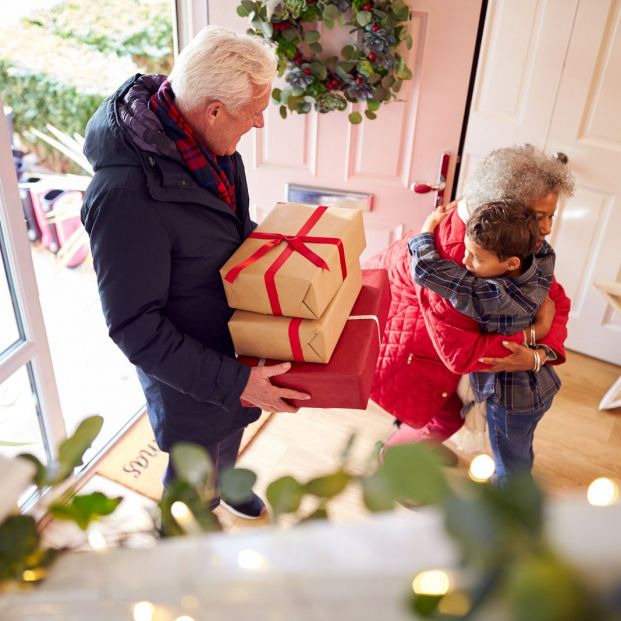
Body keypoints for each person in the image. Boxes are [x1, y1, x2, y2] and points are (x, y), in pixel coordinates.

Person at [80, 26, 310, 517]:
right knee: (193, 475)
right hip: (190, 375)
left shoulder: (211, 147)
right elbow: (134, 326)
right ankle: (183, 532)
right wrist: (236, 382)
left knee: (230, 437)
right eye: (253, 113)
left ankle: (227, 484)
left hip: (233, 344)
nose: (259, 124)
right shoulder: (122, 197)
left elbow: (225, 230)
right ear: (213, 109)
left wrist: (281, 255)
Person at [365, 145, 574, 454]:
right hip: (398, 339)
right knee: (445, 418)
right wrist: (534, 335)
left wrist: (540, 353)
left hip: (415, 328)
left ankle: (409, 437)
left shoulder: (500, 234)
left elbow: (555, 300)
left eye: (551, 216)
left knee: (434, 411)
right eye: (538, 217)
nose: (546, 228)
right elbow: (462, 355)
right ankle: (396, 462)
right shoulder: (465, 257)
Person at [410, 200, 559, 481]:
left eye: (476, 258)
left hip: (512, 399)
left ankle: (509, 498)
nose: (466, 262)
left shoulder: (492, 296)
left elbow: (424, 269)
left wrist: (428, 226)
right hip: (540, 385)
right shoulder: (543, 260)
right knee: (520, 445)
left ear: (511, 263)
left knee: (507, 454)